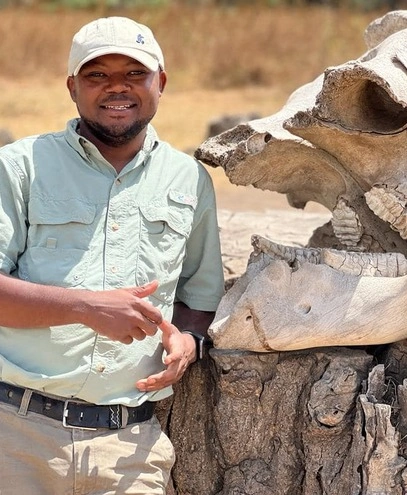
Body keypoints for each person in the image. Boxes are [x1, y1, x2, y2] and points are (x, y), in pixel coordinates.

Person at [0, 16, 224, 495]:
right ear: (72, 87)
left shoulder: (189, 180)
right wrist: (85, 308)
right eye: (97, 75)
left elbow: (200, 298)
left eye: (134, 74)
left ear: (160, 83)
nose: (116, 88)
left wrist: (187, 342)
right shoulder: (19, 167)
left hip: (129, 447)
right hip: (14, 437)